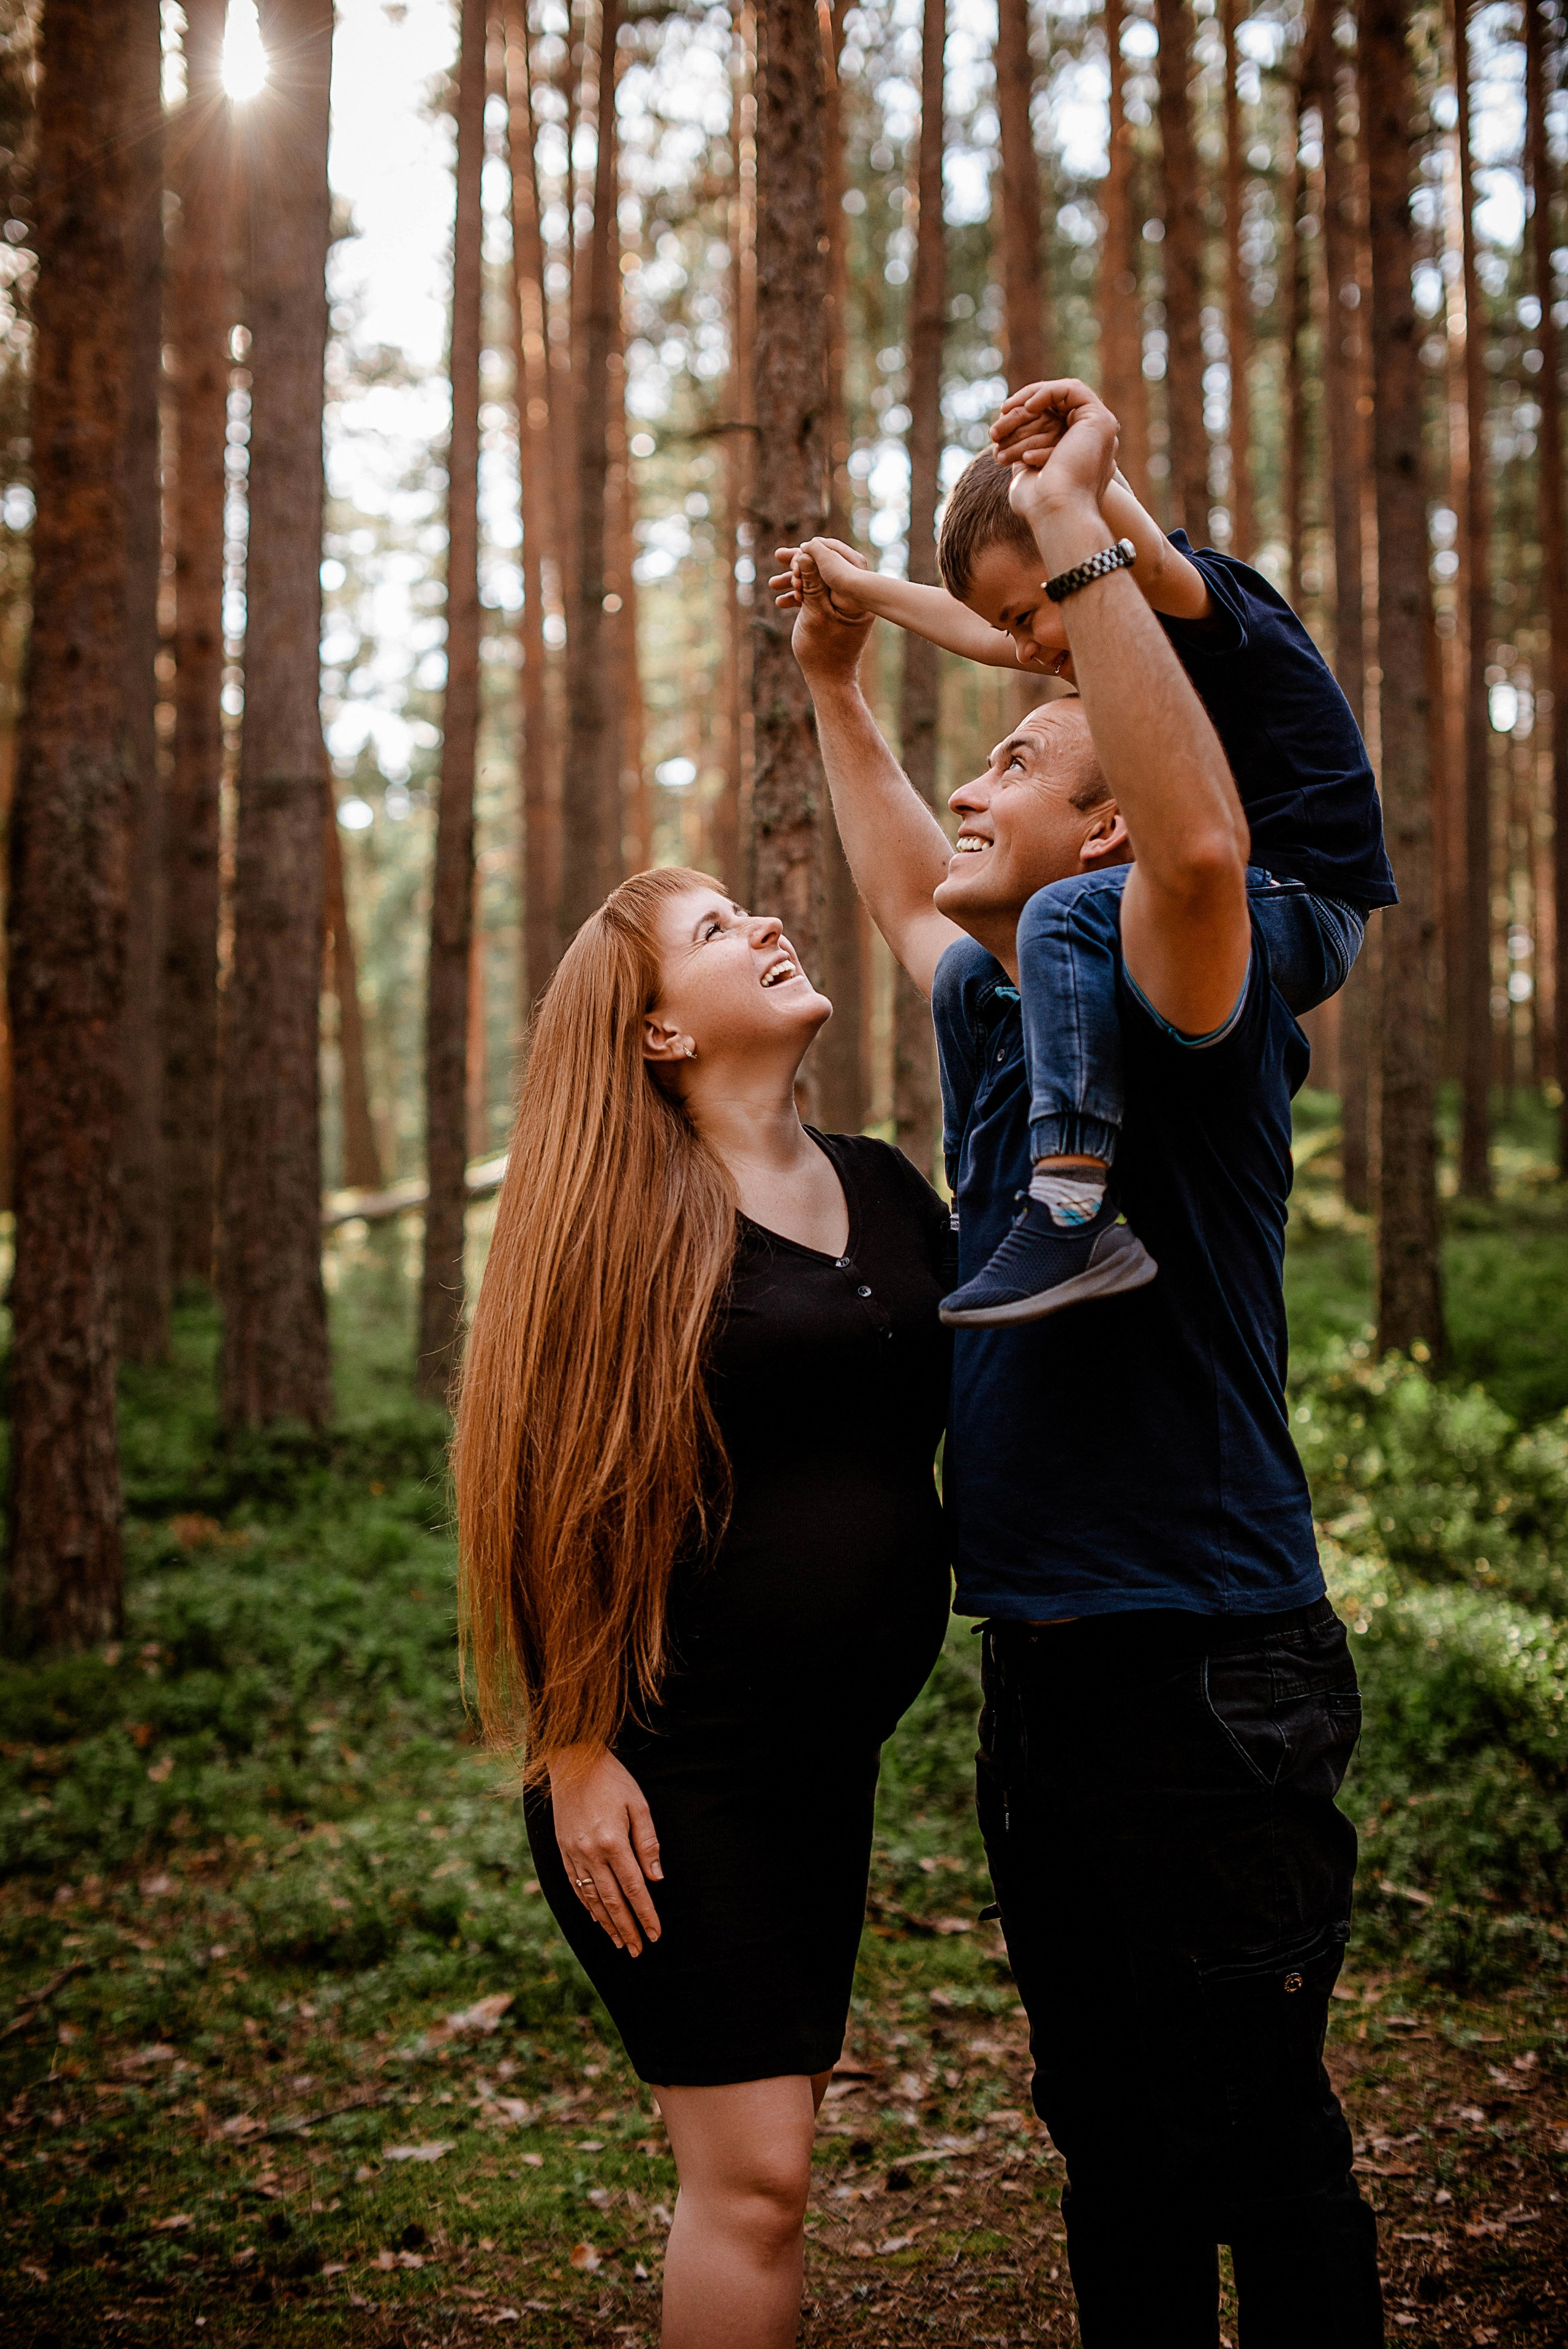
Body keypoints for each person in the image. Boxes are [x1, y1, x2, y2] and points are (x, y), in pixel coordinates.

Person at [782, 382, 1385, 2347]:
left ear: (1103, 821)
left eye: (1018, 758)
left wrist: (1080, 524)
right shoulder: (1000, 1019)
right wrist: (839, 679)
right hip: (1042, 1659)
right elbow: (897, 883)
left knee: (1254, 2145)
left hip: (1207, 1662)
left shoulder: (1172, 986)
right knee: (1110, 2146)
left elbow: (1204, 838)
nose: (973, 789)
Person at [451, 866, 952, 2349]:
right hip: (670, 1774)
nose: (770, 925)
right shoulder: (623, 1221)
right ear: (659, 1032)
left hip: (824, 1762)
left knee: (764, 2160)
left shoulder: (883, 1186)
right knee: (755, 2180)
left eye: (752, 910)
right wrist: (575, 1745)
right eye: (719, 932)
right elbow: (540, 1486)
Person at [774, 381, 1394, 1329]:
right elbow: (987, 638)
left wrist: (1070, 481)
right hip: (1233, 895)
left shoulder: (1200, 604)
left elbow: (1123, 549)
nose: (1018, 648)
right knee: (966, 976)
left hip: (1305, 896)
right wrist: (858, 599)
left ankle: (1072, 1202)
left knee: (1061, 912)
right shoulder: (1071, 631)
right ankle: (986, 1191)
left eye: (1026, 615)